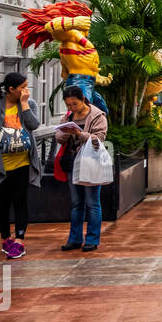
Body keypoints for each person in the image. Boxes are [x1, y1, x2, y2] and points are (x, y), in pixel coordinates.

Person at [0, 71, 42, 260]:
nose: (26, 91)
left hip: (23, 162)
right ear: (11, 89)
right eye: (23, 87)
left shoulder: (29, 105)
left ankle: (20, 240)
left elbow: (33, 125)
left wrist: (23, 105)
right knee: (2, 203)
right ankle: (6, 238)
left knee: (21, 200)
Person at [55, 85, 109, 252]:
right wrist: (65, 132)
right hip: (73, 163)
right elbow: (58, 138)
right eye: (69, 105)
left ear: (83, 99)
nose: (72, 108)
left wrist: (78, 134)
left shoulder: (97, 116)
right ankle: (75, 238)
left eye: (75, 104)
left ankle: (92, 239)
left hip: (90, 163)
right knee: (76, 203)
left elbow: (98, 140)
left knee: (92, 203)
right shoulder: (68, 116)